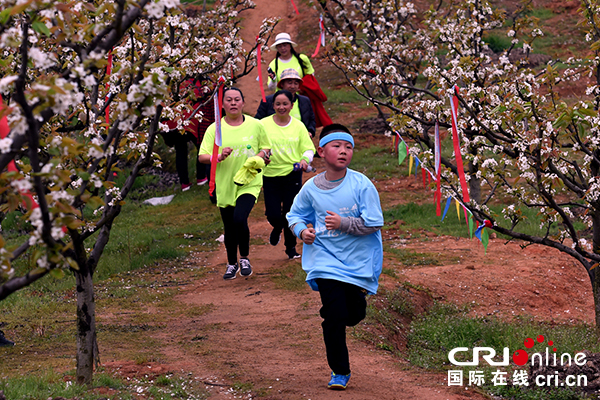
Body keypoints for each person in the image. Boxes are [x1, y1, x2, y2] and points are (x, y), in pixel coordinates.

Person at [286, 123, 383, 390]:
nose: (343, 152)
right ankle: (339, 371)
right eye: (337, 146)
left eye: (348, 147)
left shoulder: (361, 184)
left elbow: (374, 223)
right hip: (325, 261)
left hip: (357, 262)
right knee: (334, 317)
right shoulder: (311, 188)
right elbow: (295, 215)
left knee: (353, 315)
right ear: (321, 151)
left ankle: (351, 303)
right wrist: (301, 231)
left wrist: (344, 224)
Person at [198, 87, 271, 280]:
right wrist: (219, 156)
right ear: (222, 105)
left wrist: (262, 155)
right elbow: (202, 156)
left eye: (236, 99)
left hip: (249, 180)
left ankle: (244, 258)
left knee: (240, 219)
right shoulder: (215, 129)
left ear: (243, 103)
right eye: (228, 100)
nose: (233, 103)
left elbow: (266, 147)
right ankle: (231, 263)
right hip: (225, 183)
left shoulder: (256, 125)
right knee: (229, 226)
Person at [261, 90, 315, 260]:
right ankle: (277, 227)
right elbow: (254, 145)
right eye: (278, 104)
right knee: (273, 214)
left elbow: (308, 148)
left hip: (293, 175)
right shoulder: (262, 125)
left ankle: (291, 249)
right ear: (273, 106)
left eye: (285, 104)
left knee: (291, 212)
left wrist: (305, 159)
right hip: (269, 175)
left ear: (292, 106)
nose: (281, 107)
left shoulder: (298, 126)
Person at [162, 78, 214, 192]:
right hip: (192, 118)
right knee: (201, 145)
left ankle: (185, 183)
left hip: (175, 120)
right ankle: (201, 177)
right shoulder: (195, 79)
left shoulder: (170, 81)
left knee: (180, 150)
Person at [255, 68, 316, 137]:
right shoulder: (268, 101)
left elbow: (311, 120)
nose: (293, 86)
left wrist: (310, 131)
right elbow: (258, 121)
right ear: (282, 84)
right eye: (289, 83)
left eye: (296, 83)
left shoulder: (304, 101)